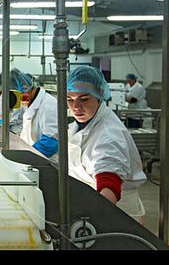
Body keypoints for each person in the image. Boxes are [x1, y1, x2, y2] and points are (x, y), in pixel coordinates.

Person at [67, 66, 146, 223]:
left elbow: (109, 182)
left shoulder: (109, 135)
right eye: (70, 99)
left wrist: (94, 220)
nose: (76, 107)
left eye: (83, 99)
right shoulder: (82, 123)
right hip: (92, 202)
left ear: (99, 96)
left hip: (116, 215)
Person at [9, 68, 58, 160]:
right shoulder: (29, 101)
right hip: (33, 157)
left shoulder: (50, 105)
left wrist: (25, 157)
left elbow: (50, 143)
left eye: (20, 95)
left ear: (25, 89)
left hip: (47, 161)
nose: (19, 101)